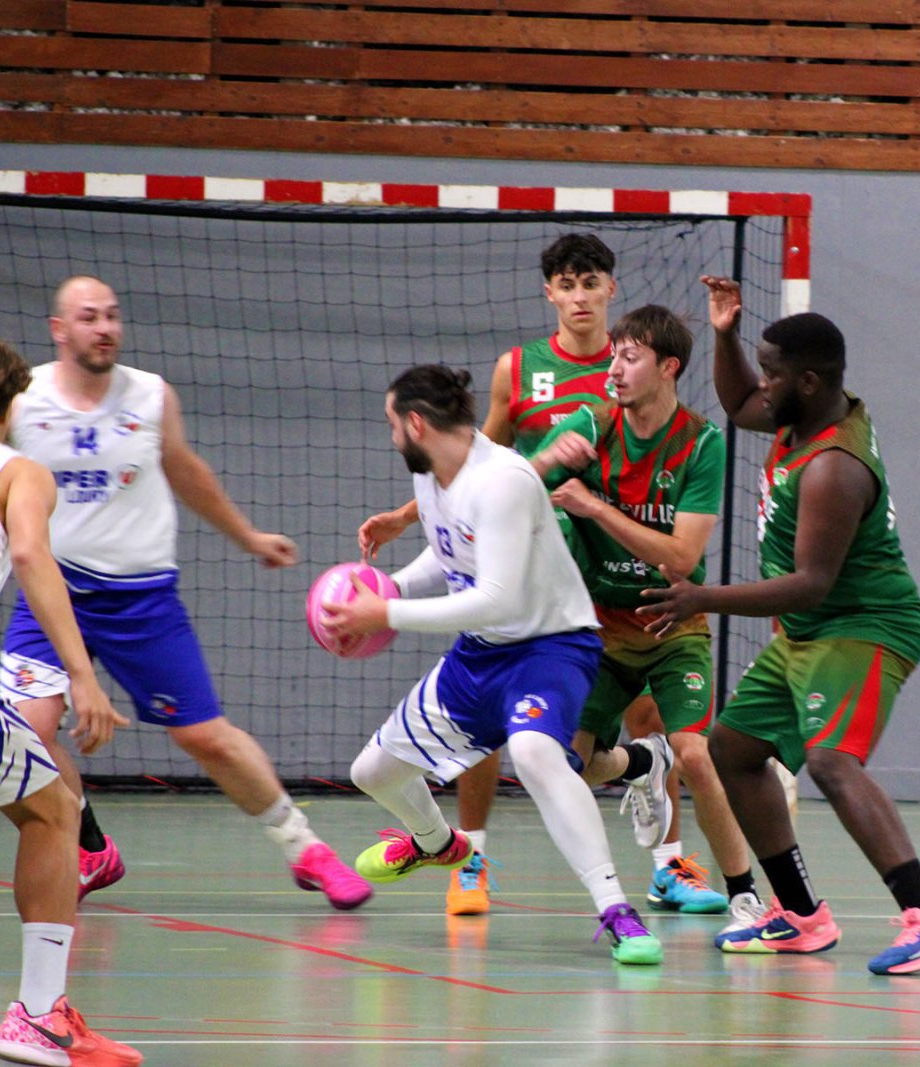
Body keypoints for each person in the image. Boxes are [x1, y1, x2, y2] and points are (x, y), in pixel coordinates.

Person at [358, 233, 709, 917]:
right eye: (566, 284)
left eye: (590, 283)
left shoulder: (632, 366)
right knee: (505, 733)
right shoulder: (518, 370)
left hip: (607, 580)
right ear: (549, 293)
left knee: (643, 718)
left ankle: (667, 864)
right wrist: (407, 516)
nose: (579, 297)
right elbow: (472, 456)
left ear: (611, 289)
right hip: (523, 577)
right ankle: (470, 857)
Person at [638, 280, 920, 975]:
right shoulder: (802, 411)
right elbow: (740, 404)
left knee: (830, 761)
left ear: (809, 381)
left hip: (864, 624)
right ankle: (800, 915)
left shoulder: (832, 468)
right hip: (809, 629)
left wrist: (702, 596)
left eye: (772, 373)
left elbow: (810, 582)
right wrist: (725, 335)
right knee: (733, 748)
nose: (761, 386)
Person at [0, 276, 370, 911]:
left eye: (112, 315)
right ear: (59, 330)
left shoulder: (150, 394)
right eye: (89, 317)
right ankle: (90, 848)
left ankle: (304, 848)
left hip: (141, 601)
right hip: (52, 595)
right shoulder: (22, 399)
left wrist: (248, 536)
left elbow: (185, 470)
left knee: (204, 737)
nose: (105, 327)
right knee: (22, 739)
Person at [326, 364, 665, 964]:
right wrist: (392, 588)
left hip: (550, 646)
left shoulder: (504, 480)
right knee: (371, 772)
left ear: (415, 423)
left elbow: (497, 598)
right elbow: (448, 551)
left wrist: (385, 614)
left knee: (535, 753)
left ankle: (616, 910)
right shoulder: (434, 474)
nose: (391, 437)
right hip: (482, 652)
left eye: (391, 425)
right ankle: (438, 843)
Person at [530, 305, 765, 925]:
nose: (614, 368)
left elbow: (681, 558)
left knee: (696, 754)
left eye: (629, 358)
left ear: (668, 368)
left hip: (671, 624)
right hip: (600, 629)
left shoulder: (701, 444)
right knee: (564, 767)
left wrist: (595, 508)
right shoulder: (591, 424)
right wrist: (547, 464)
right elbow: (512, 486)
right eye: (613, 356)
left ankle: (745, 895)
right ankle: (641, 764)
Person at [0, 327, 144, 1066]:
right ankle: (39, 1015)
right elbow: (32, 554)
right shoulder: (18, 472)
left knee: (49, 802)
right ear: (9, 402)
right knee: (55, 811)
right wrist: (82, 674)